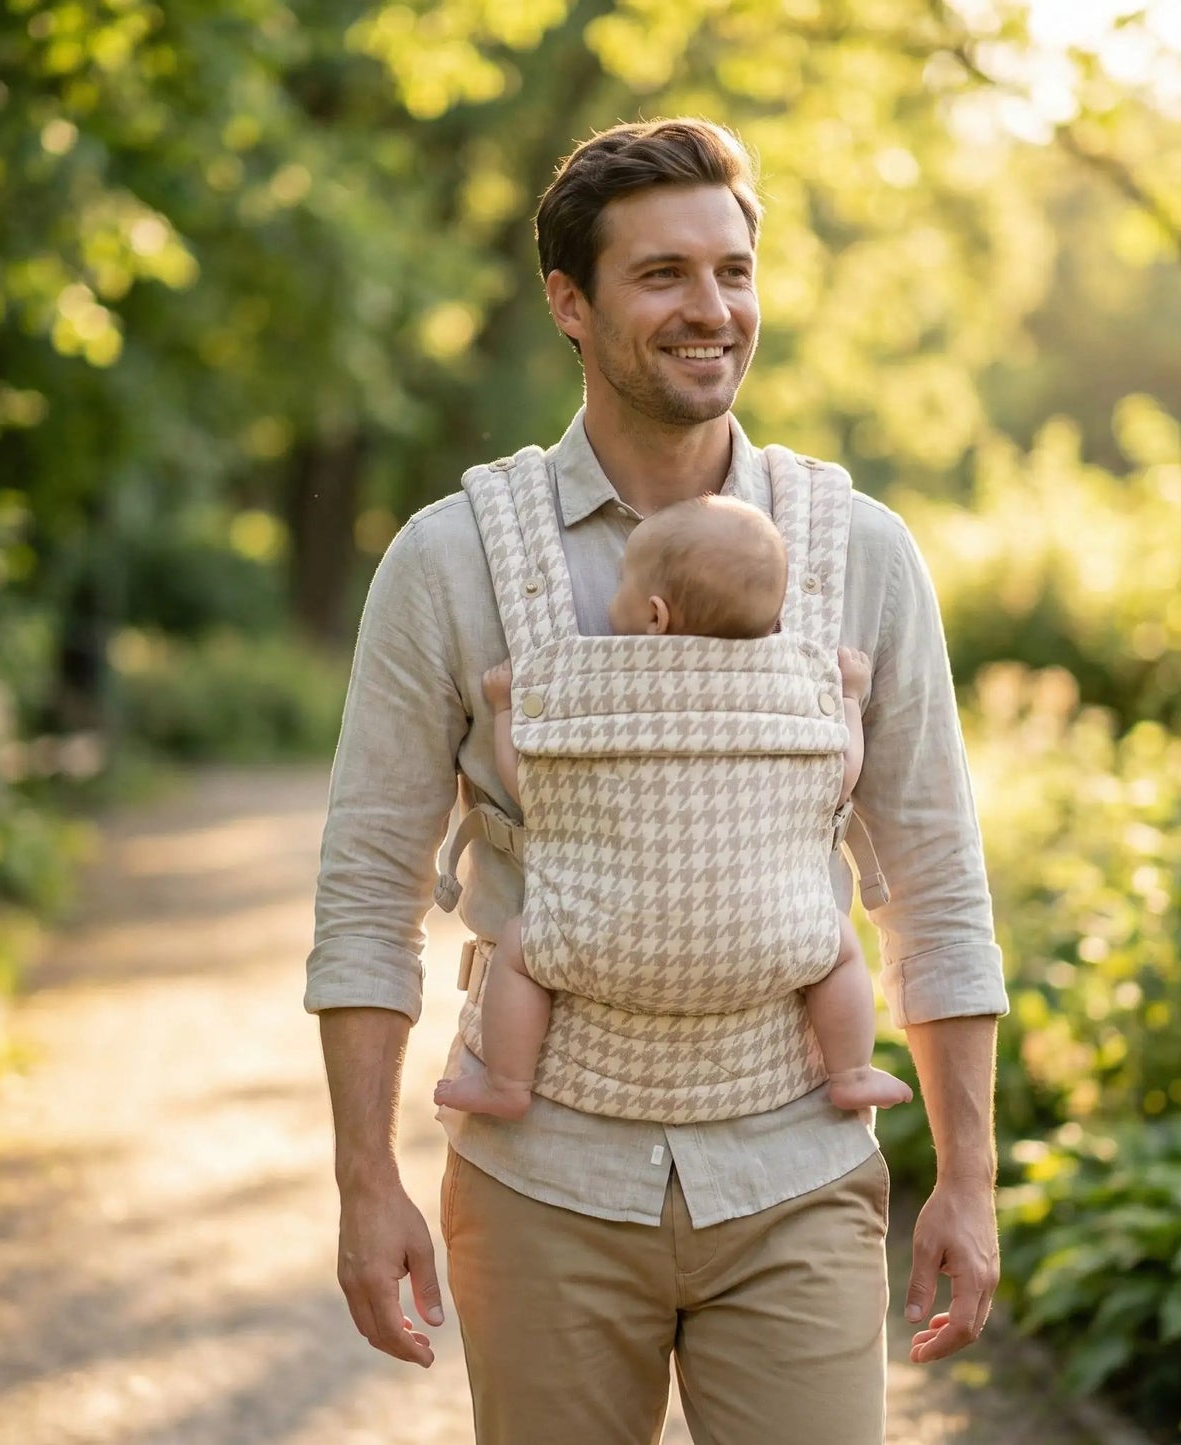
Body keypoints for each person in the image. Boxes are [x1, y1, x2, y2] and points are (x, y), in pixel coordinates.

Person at [306, 117, 1008, 1444]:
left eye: (732, 271)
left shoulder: (859, 549)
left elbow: (936, 886)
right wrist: (364, 1184)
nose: (711, 310)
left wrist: (967, 1181)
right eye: (662, 275)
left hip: (798, 1176)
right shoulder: (450, 560)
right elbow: (364, 897)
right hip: (540, 1187)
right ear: (568, 302)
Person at [432, 493, 914, 1122]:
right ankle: (850, 1073)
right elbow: (838, 777)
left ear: (655, 617)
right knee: (842, 947)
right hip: (770, 944)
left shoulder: (595, 692)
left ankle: (506, 1084)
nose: (612, 600)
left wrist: (502, 708)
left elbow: (530, 788)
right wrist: (848, 696)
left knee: (520, 952)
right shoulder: (789, 695)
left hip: (602, 943)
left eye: (623, 587)